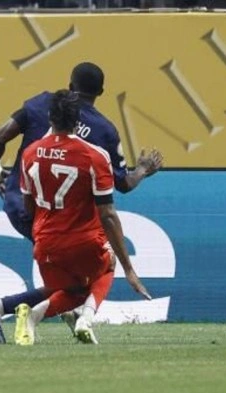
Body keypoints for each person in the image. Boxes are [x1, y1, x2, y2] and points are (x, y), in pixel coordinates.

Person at [0, 62, 163, 344]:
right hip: (65, 221)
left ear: (70, 86)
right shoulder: (103, 134)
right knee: (86, 277)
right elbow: (122, 185)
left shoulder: (41, 109)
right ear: (101, 91)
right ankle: (22, 309)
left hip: (26, 209)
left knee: (69, 281)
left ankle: (8, 308)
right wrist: (143, 169)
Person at [15, 90, 150, 345]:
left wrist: (43, 232)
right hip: (83, 243)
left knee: (75, 291)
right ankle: (84, 318)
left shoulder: (30, 153)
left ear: (50, 117)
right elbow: (108, 214)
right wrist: (129, 269)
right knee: (108, 263)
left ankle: (31, 317)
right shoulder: (94, 156)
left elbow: (28, 206)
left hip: (45, 245)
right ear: (77, 120)